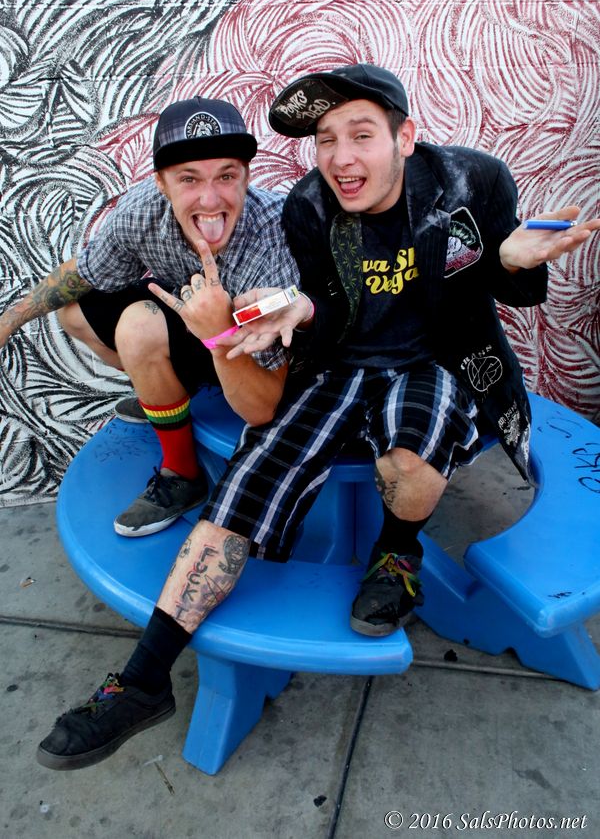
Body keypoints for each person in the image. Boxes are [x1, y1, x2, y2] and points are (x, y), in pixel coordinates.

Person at [36, 64, 599, 771]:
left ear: (404, 136)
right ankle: (143, 679)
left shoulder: (470, 181)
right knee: (243, 489)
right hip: (338, 366)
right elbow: (327, 305)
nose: (340, 157)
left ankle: (397, 552)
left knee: (411, 454)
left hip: (436, 358)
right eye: (326, 140)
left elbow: (511, 290)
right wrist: (300, 310)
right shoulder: (308, 205)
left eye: (360, 135)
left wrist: (508, 262)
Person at [0, 96, 298, 536]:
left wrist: (218, 331)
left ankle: (183, 475)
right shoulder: (142, 210)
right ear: (161, 183)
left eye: (226, 175)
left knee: (138, 326)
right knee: (75, 312)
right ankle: (164, 391)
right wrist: (9, 320)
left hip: (247, 352)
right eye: (189, 178)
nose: (210, 198)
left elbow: (266, 407)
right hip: (193, 322)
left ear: (246, 177)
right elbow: (84, 273)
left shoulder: (275, 232)